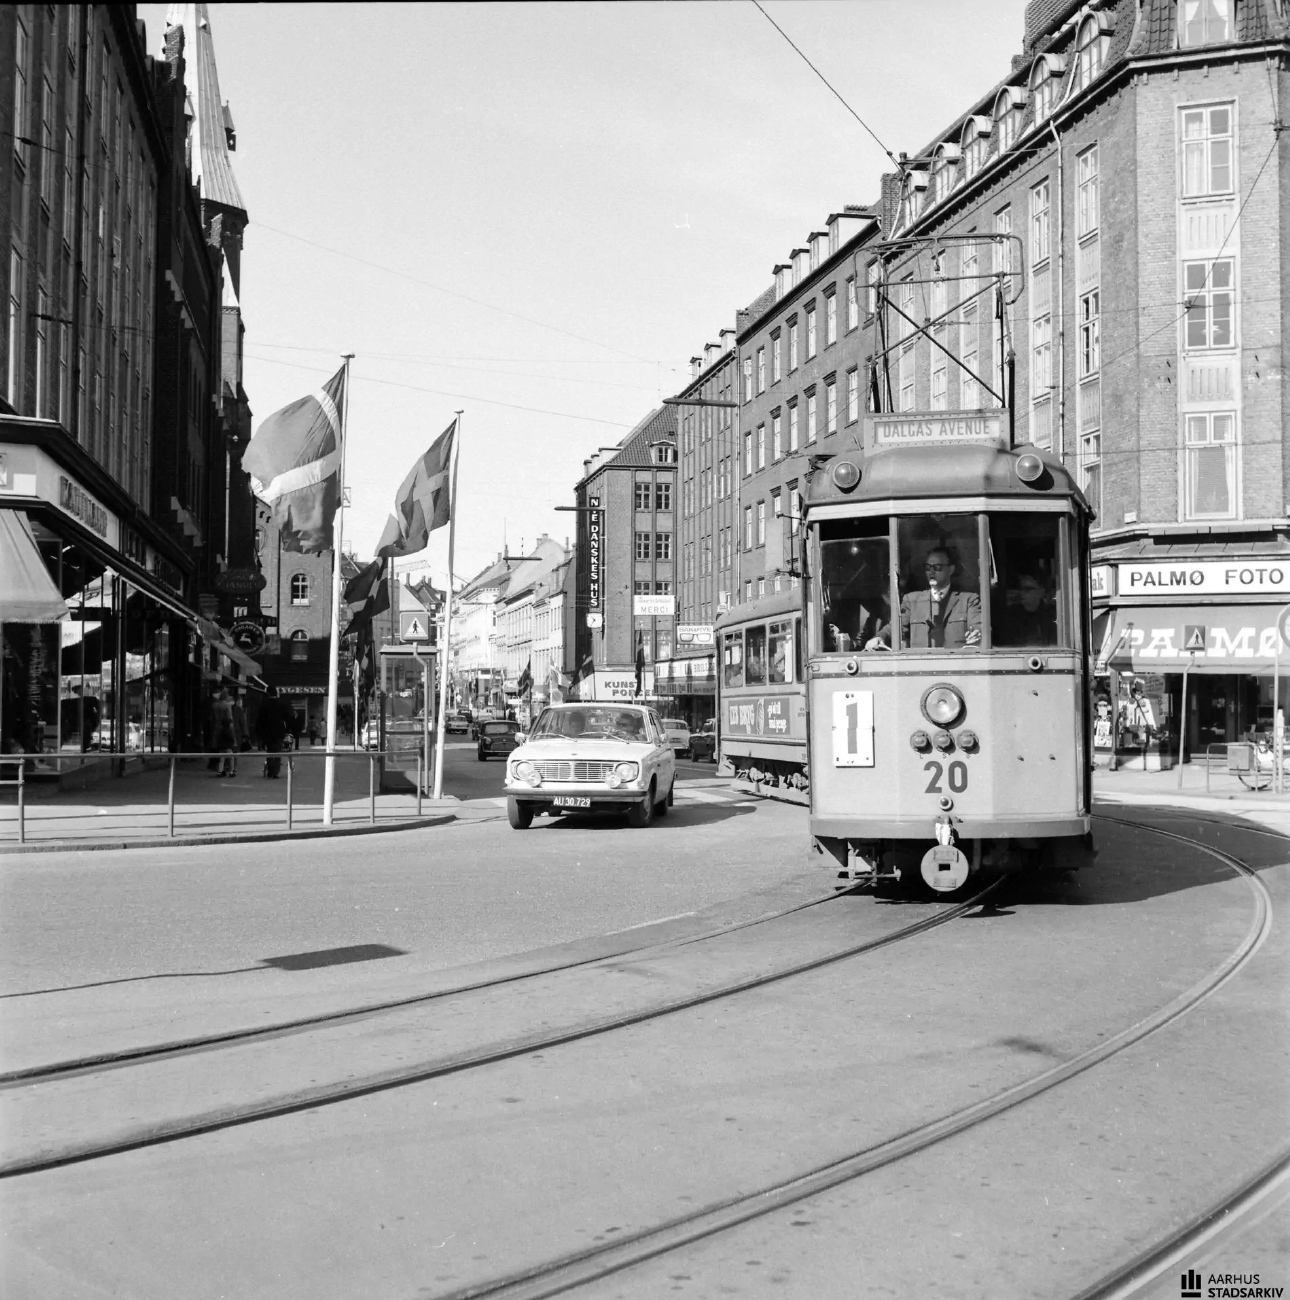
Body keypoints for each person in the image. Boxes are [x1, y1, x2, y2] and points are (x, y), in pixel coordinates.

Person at [867, 546, 981, 651]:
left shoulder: (968, 600)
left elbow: (978, 626)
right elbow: (895, 627)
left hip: (956, 663)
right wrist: (880, 637)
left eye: (937, 567)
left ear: (950, 570)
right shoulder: (912, 600)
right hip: (921, 663)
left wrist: (978, 633)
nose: (931, 572)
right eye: (927, 567)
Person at [997, 570, 1057, 646]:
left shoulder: (1052, 617)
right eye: (1021, 589)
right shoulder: (1011, 617)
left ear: (1041, 591)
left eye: (1027, 589)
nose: (1022, 593)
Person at [256, 687, 291, 778]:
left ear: (268, 693)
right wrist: (287, 729)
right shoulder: (282, 703)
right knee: (278, 751)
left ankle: (270, 770)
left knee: (270, 751)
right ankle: (276, 772)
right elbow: (287, 717)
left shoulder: (264, 704)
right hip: (279, 731)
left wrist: (260, 732)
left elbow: (260, 720)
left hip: (267, 731)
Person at [212, 689, 236, 777]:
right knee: (230, 753)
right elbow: (229, 717)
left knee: (220, 751)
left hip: (216, 727)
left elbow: (212, 718)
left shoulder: (214, 705)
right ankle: (231, 770)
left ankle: (219, 769)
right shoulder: (227, 705)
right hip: (226, 728)